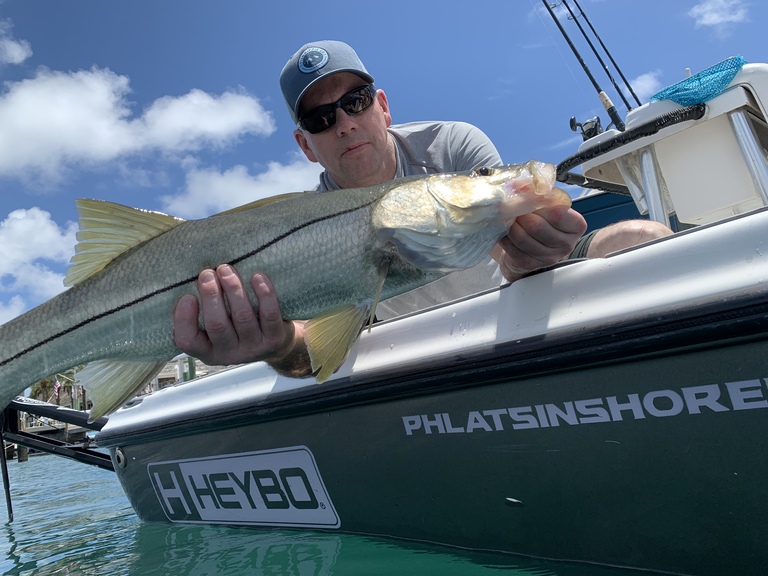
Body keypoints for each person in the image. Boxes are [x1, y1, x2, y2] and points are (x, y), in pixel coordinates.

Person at [173, 40, 671, 378]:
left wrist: (528, 256)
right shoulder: (307, 225)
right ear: (306, 146)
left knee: (643, 239)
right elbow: (317, 350)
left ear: (383, 106)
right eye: (321, 119)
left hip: (510, 304)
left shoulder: (452, 145)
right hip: (413, 356)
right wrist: (278, 345)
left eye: (355, 101)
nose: (344, 123)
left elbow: (512, 258)